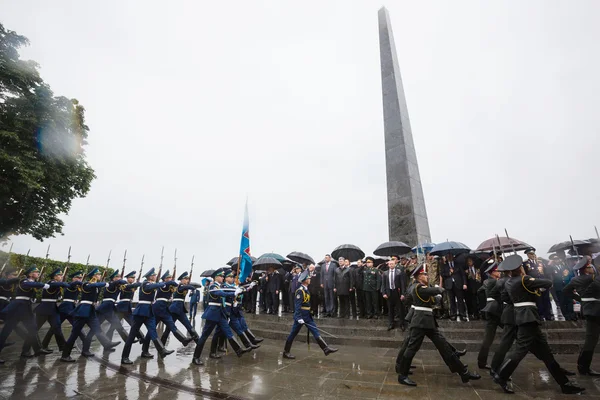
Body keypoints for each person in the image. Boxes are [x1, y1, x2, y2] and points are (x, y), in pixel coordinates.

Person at [493, 254, 583, 394]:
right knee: (520, 350)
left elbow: (507, 298)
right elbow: (547, 283)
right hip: (528, 317)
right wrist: (534, 280)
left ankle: (564, 383)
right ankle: (501, 375)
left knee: (546, 354)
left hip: (522, 316)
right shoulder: (525, 279)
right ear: (520, 268)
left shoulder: (509, 282)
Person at [395, 263, 480, 386]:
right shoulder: (418, 287)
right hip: (420, 322)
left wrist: (437, 296)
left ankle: (463, 372)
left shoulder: (423, 288)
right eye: (424, 274)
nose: (426, 276)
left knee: (444, 347)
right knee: (412, 348)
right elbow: (437, 290)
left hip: (428, 322)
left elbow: (433, 300)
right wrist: (439, 289)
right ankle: (402, 375)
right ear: (419, 276)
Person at [192, 268, 250, 365]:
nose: (223, 277)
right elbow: (221, 293)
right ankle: (196, 357)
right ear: (215, 277)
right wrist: (234, 292)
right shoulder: (213, 286)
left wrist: (240, 289)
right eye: (221, 276)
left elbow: (226, 291)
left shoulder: (220, 286)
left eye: (223, 276)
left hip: (221, 314)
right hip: (212, 314)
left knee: (228, 332)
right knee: (204, 336)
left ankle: (238, 350)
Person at [60, 268, 121, 362]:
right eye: (98, 274)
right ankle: (65, 355)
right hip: (83, 311)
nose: (100, 276)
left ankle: (103, 345)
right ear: (94, 276)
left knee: (97, 329)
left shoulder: (96, 286)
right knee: (74, 334)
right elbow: (94, 285)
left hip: (91, 311)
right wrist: (106, 283)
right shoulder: (86, 284)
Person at [121, 268, 174, 364]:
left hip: (149, 311)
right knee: (132, 334)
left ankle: (161, 350)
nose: (155, 276)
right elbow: (154, 286)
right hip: (141, 311)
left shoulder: (151, 284)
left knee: (153, 330)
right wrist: (164, 283)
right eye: (154, 275)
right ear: (150, 276)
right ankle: (124, 357)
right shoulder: (145, 284)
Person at [0, 266, 52, 363]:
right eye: (36, 272)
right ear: (30, 274)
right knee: (6, 332)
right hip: (17, 309)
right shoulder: (24, 281)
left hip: (25, 310)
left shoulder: (31, 283)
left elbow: (31, 295)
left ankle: (35, 350)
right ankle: (36, 349)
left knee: (33, 328)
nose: (38, 274)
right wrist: (43, 285)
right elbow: (30, 285)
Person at [282, 269, 338, 359]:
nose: (310, 279)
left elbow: (307, 302)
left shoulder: (306, 289)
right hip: (301, 316)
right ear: (305, 280)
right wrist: (298, 317)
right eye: (308, 278)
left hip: (307, 315)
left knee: (315, 331)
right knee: (293, 334)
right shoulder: (300, 291)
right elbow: (297, 305)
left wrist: (310, 311)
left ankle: (325, 348)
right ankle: (286, 352)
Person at [562, 256, 600, 375]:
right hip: (597, 309)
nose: (592, 268)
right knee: (590, 340)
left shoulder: (575, 280)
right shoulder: (594, 278)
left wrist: (581, 299)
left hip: (588, 310)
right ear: (585, 269)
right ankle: (583, 367)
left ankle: (583, 366)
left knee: (590, 340)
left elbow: (566, 291)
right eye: (590, 266)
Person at [27, 269, 71, 354]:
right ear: (55, 277)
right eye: (60, 275)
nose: (61, 277)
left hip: (53, 309)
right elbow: (62, 284)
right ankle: (26, 349)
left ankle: (63, 346)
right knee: (35, 329)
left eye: (62, 275)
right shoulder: (51, 282)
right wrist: (66, 283)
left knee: (57, 327)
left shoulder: (56, 284)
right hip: (44, 309)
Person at [41, 270, 87, 350]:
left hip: (70, 308)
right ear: (73, 278)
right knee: (74, 325)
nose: (79, 279)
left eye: (80, 277)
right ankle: (85, 340)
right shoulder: (70, 284)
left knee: (55, 327)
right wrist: (85, 283)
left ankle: (45, 344)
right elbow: (74, 284)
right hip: (65, 308)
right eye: (78, 277)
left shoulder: (76, 285)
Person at [161, 271, 200, 344]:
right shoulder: (180, 286)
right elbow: (188, 287)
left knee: (189, 326)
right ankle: (162, 346)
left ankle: (199, 343)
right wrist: (192, 287)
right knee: (168, 329)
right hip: (174, 310)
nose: (187, 280)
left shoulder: (182, 286)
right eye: (185, 279)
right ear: (181, 280)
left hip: (181, 310)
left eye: (188, 279)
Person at [92, 270, 129, 343]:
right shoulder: (111, 284)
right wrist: (123, 281)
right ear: (113, 278)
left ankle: (110, 343)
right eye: (117, 277)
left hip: (108, 307)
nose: (119, 278)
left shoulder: (116, 285)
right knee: (96, 327)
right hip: (106, 307)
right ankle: (87, 340)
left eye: (120, 276)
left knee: (116, 324)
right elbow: (121, 282)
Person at [476, 262, 502, 369]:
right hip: (496, 311)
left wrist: (486, 304)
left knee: (489, 338)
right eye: (498, 271)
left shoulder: (487, 282)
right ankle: (482, 362)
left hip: (491, 310)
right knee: (489, 338)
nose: (499, 273)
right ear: (493, 272)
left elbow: (479, 291)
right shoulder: (495, 282)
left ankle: (481, 361)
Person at [107, 271, 144, 342]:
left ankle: (141, 338)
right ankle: (108, 341)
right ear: (127, 278)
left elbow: (133, 287)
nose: (133, 279)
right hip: (121, 307)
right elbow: (131, 286)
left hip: (128, 308)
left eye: (134, 278)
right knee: (114, 326)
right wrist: (139, 283)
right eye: (131, 278)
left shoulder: (131, 285)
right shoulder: (124, 284)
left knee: (133, 324)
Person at [381, 256, 406, 331]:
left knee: (400, 309)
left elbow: (402, 284)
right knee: (390, 309)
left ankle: (402, 324)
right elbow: (384, 284)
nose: (391, 265)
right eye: (390, 264)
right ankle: (391, 323)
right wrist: (384, 293)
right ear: (388, 265)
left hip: (397, 292)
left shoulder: (399, 272)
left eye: (392, 264)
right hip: (389, 293)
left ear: (395, 264)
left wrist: (402, 294)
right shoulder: (385, 273)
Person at [440, 254, 467, 321]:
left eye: (450, 256)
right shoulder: (444, 266)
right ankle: (453, 314)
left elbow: (463, 274)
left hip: (458, 284)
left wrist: (464, 283)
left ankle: (462, 314)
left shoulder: (458, 264)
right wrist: (449, 273)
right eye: (448, 256)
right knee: (451, 301)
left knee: (460, 300)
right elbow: (442, 274)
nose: (449, 257)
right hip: (449, 285)